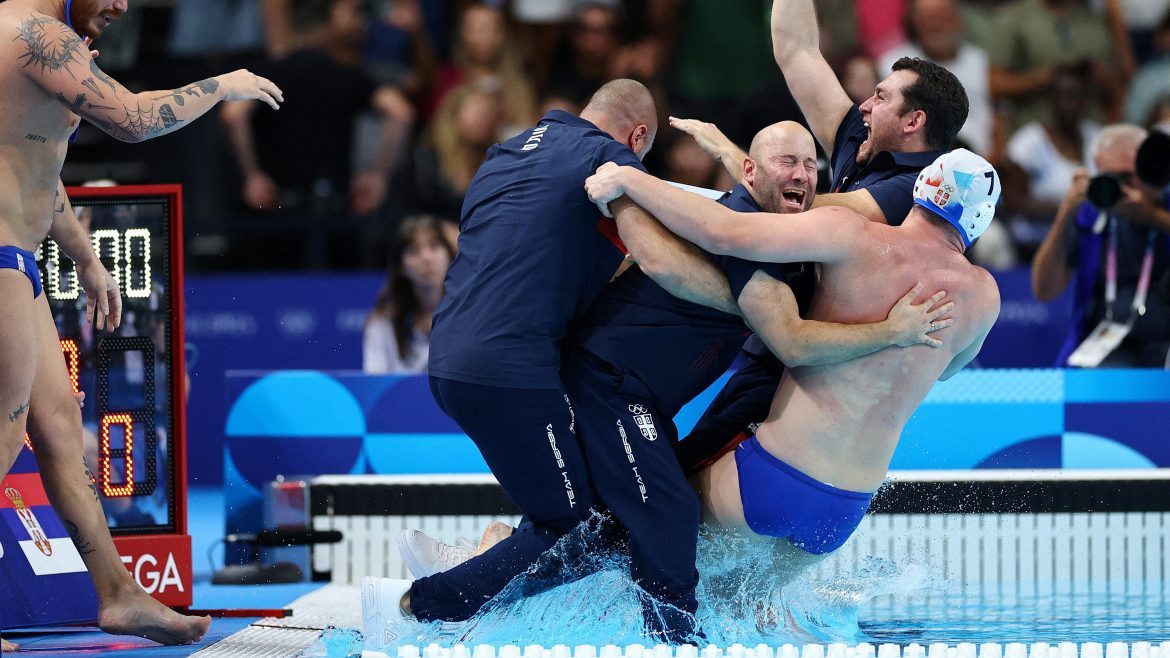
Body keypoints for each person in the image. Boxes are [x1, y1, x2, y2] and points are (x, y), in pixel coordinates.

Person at [396, 123, 953, 612]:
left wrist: (719, 150)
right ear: (753, 172)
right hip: (610, 384)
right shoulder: (747, 230)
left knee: (607, 525)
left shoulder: (775, 228)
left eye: (811, 165)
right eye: (790, 162)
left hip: (635, 393)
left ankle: (471, 572)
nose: (804, 175)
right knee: (667, 515)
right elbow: (789, 338)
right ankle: (673, 641)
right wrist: (891, 332)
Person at [0, 0, 282, 649]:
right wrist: (223, 85)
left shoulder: (39, 39)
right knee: (5, 432)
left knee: (59, 426)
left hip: (19, 255)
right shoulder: (30, 33)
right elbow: (131, 120)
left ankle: (119, 594)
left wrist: (85, 257)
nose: (123, 5)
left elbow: (34, 161)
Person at [583, 147, 1000, 576]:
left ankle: (538, 566)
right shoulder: (985, 296)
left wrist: (631, 180)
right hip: (843, 509)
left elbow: (723, 231)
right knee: (752, 610)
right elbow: (948, 369)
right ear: (980, 221)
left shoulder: (854, 235)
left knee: (645, 533)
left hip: (772, 476)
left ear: (922, 186)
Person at [361, 79, 660, 646]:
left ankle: (486, 557)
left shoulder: (504, 153)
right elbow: (669, 236)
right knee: (577, 527)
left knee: (569, 501)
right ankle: (415, 604)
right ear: (637, 136)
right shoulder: (608, 157)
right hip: (508, 369)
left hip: (451, 355)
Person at [665, 0, 971, 478]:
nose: (865, 103)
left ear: (913, 122)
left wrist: (726, 149)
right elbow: (797, 50)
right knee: (690, 480)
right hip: (778, 342)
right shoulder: (860, 140)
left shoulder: (915, 192)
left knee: (689, 484)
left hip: (814, 372)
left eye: (881, 97)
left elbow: (791, 208)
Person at [1032, 124, 1170, 367]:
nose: (1125, 188)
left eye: (1130, 176)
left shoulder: (1165, 203)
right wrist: (1066, 212)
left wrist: (1151, 216)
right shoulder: (1091, 214)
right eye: (1112, 178)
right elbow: (1045, 290)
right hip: (1108, 348)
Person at [363, 216, 455, 374]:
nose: (426, 258)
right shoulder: (382, 324)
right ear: (401, 267)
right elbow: (375, 382)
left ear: (449, 256)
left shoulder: (470, 317)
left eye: (434, 246)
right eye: (414, 251)